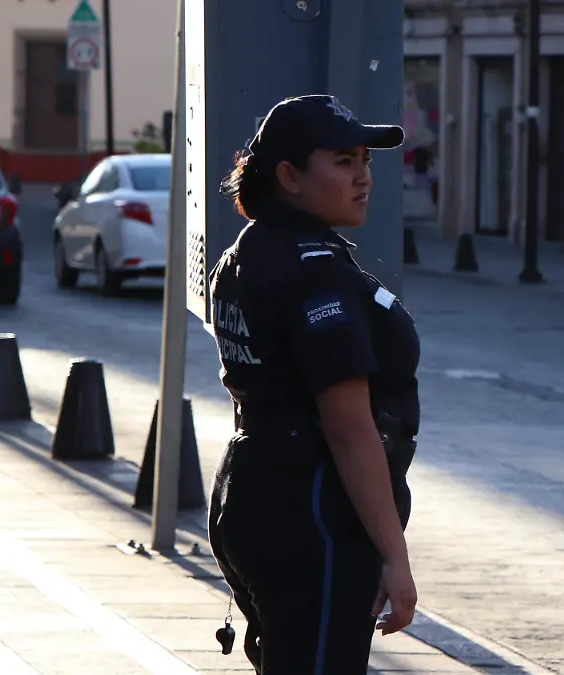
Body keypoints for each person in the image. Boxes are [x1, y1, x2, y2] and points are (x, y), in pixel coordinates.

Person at [206, 94, 420, 674]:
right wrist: (395, 560)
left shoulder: (248, 253)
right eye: (343, 162)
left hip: (253, 491)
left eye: (365, 161)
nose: (363, 177)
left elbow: (253, 384)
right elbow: (350, 430)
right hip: (313, 514)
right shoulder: (313, 276)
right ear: (289, 176)